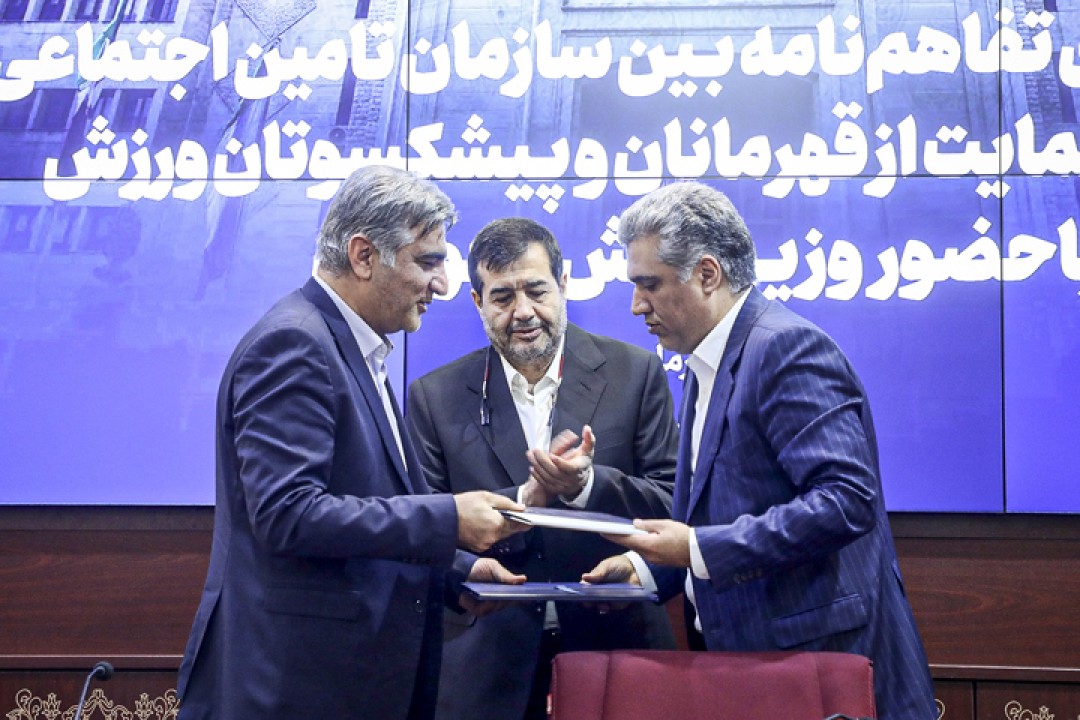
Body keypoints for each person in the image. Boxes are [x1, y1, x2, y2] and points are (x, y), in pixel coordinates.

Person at [176, 166, 528, 720]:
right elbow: (288, 515)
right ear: (364, 256)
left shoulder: (353, 347)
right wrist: (448, 519)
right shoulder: (295, 343)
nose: (441, 284)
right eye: (428, 262)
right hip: (294, 690)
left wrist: (456, 570)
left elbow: (362, 506)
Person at [584, 182, 937, 720]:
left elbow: (846, 501)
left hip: (821, 669)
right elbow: (718, 515)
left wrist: (695, 549)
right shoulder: (706, 361)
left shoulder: (785, 349)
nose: (637, 305)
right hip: (751, 668)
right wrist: (648, 568)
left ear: (707, 274)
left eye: (649, 284)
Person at [406, 217, 679, 720]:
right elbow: (421, 528)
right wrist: (467, 569)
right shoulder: (434, 397)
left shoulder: (636, 373)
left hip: (617, 650)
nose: (524, 312)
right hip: (486, 667)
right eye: (503, 297)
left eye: (536, 290)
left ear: (564, 284)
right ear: (477, 302)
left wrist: (587, 485)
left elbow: (673, 502)